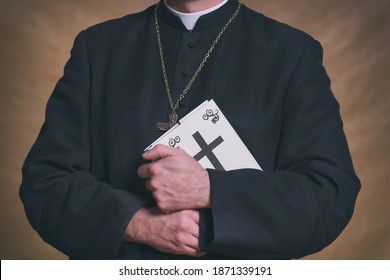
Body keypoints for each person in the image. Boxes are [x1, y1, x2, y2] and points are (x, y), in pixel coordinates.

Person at [20, 0, 361, 260]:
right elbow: (45, 185)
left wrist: (210, 189)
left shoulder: (291, 52)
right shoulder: (97, 48)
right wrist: (138, 223)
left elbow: (330, 196)